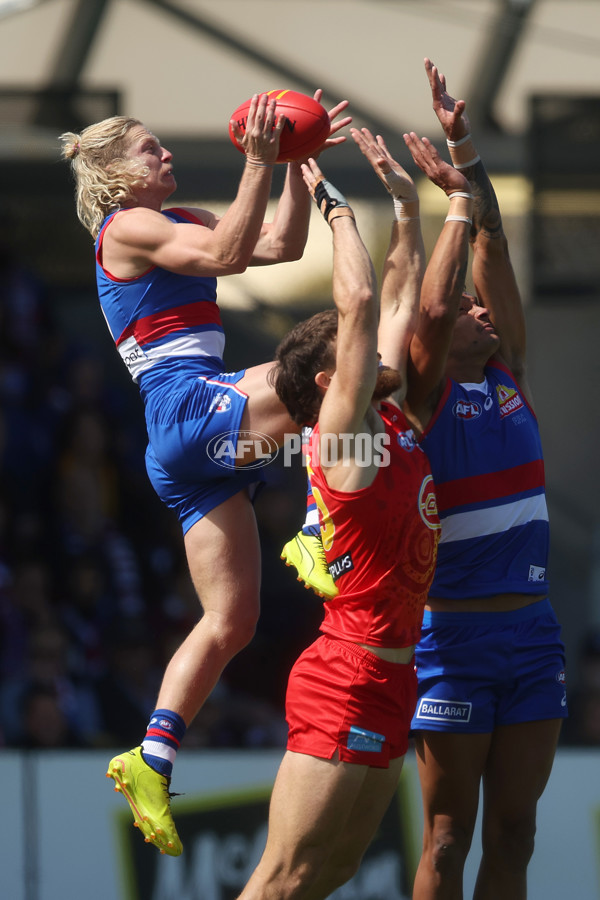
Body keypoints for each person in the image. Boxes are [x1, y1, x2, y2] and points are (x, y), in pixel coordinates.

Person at [59, 90, 351, 856]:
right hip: (189, 407)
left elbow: (280, 247)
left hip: (188, 445)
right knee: (335, 368)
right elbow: (227, 259)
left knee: (232, 621)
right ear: (116, 174)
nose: (167, 155)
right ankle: (318, 529)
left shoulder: (175, 219)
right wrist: (258, 158)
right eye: (150, 147)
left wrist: (292, 165)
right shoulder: (128, 227)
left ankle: (150, 757)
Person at [236, 131, 473, 899]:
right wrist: (333, 203)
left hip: (393, 678)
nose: (381, 346)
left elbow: (397, 294)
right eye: (361, 348)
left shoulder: (389, 417)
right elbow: (365, 300)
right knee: (281, 880)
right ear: (333, 379)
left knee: (331, 874)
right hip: (347, 675)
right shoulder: (343, 438)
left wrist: (406, 208)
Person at [403, 59, 568, 900]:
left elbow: (492, 246)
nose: (480, 313)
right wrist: (445, 212)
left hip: (532, 636)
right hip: (452, 646)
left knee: (517, 832)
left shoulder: (512, 373)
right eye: (469, 312)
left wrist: (465, 152)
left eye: (485, 311)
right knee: (444, 836)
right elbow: (434, 311)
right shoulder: (427, 392)